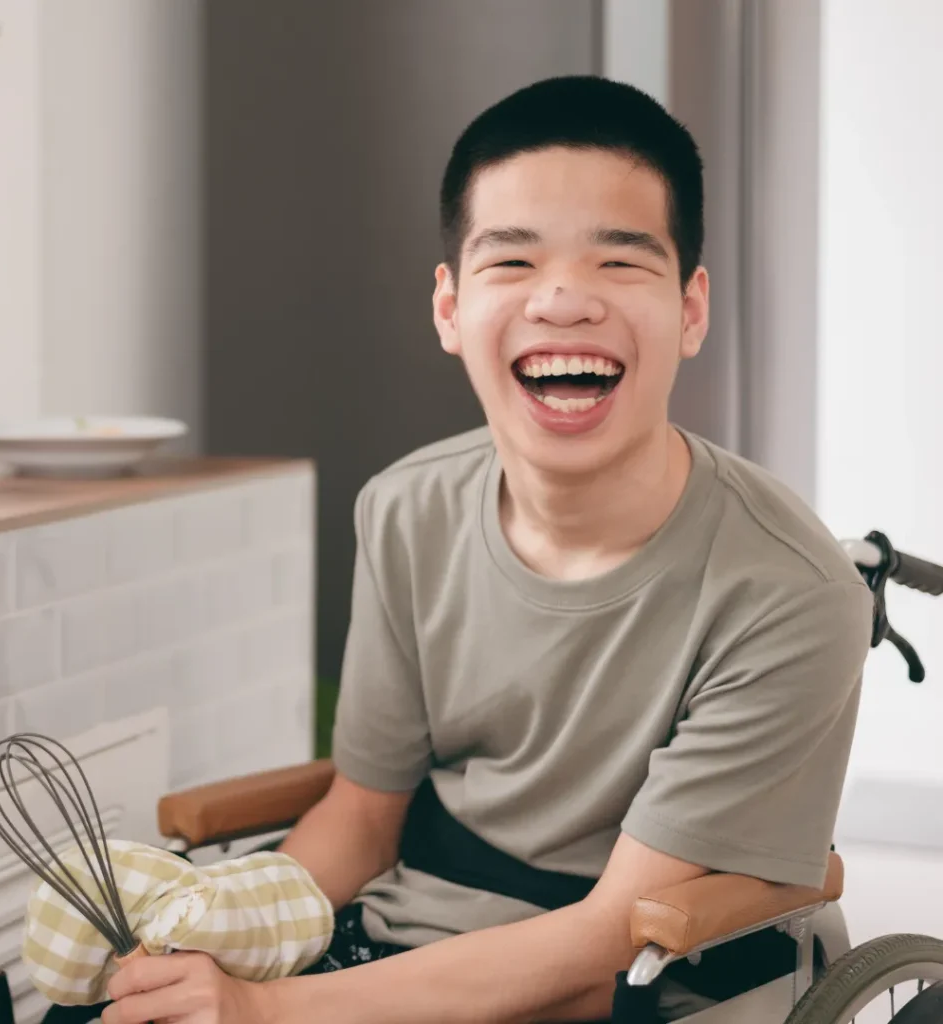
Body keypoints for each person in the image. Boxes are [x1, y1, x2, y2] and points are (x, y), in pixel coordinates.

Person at [102, 75, 873, 1024]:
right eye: (512, 260)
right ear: (449, 308)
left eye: (620, 261)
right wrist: (220, 940)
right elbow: (362, 816)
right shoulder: (405, 509)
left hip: (628, 984)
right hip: (393, 946)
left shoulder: (792, 592)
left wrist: (264, 1013)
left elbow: (606, 946)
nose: (563, 300)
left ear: (690, 309)